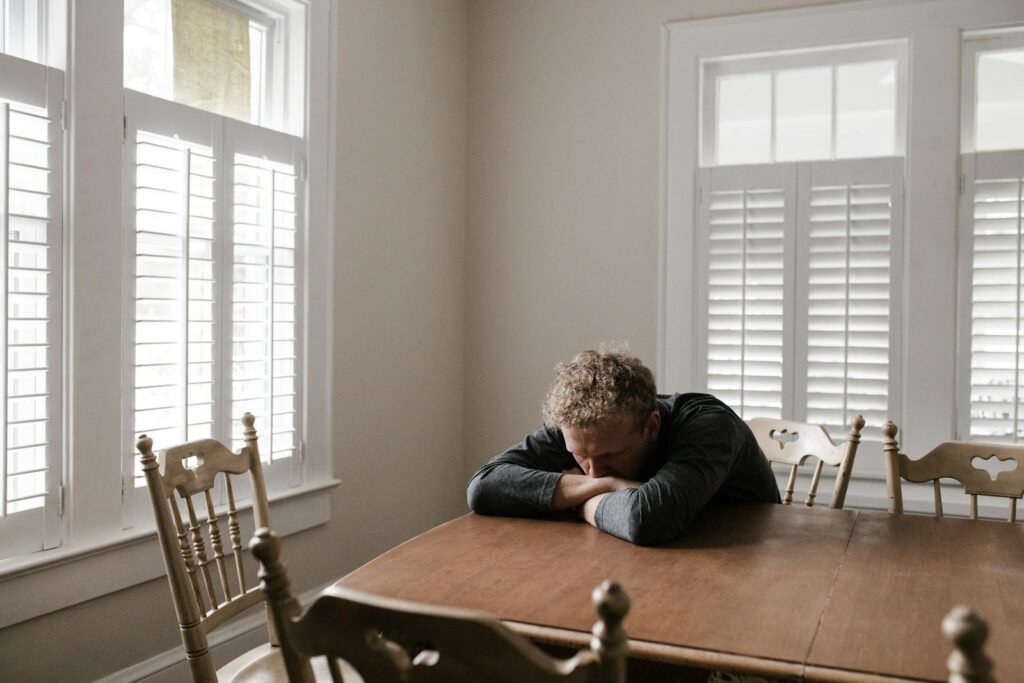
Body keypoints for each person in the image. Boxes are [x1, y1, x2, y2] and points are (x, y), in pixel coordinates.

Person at [466, 347, 781, 546]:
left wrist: (578, 501)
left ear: (652, 426)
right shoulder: (581, 427)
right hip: (647, 559)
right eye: (580, 456)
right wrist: (609, 485)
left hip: (755, 562)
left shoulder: (709, 425)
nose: (593, 471)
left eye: (610, 457)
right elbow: (483, 487)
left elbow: (647, 519)